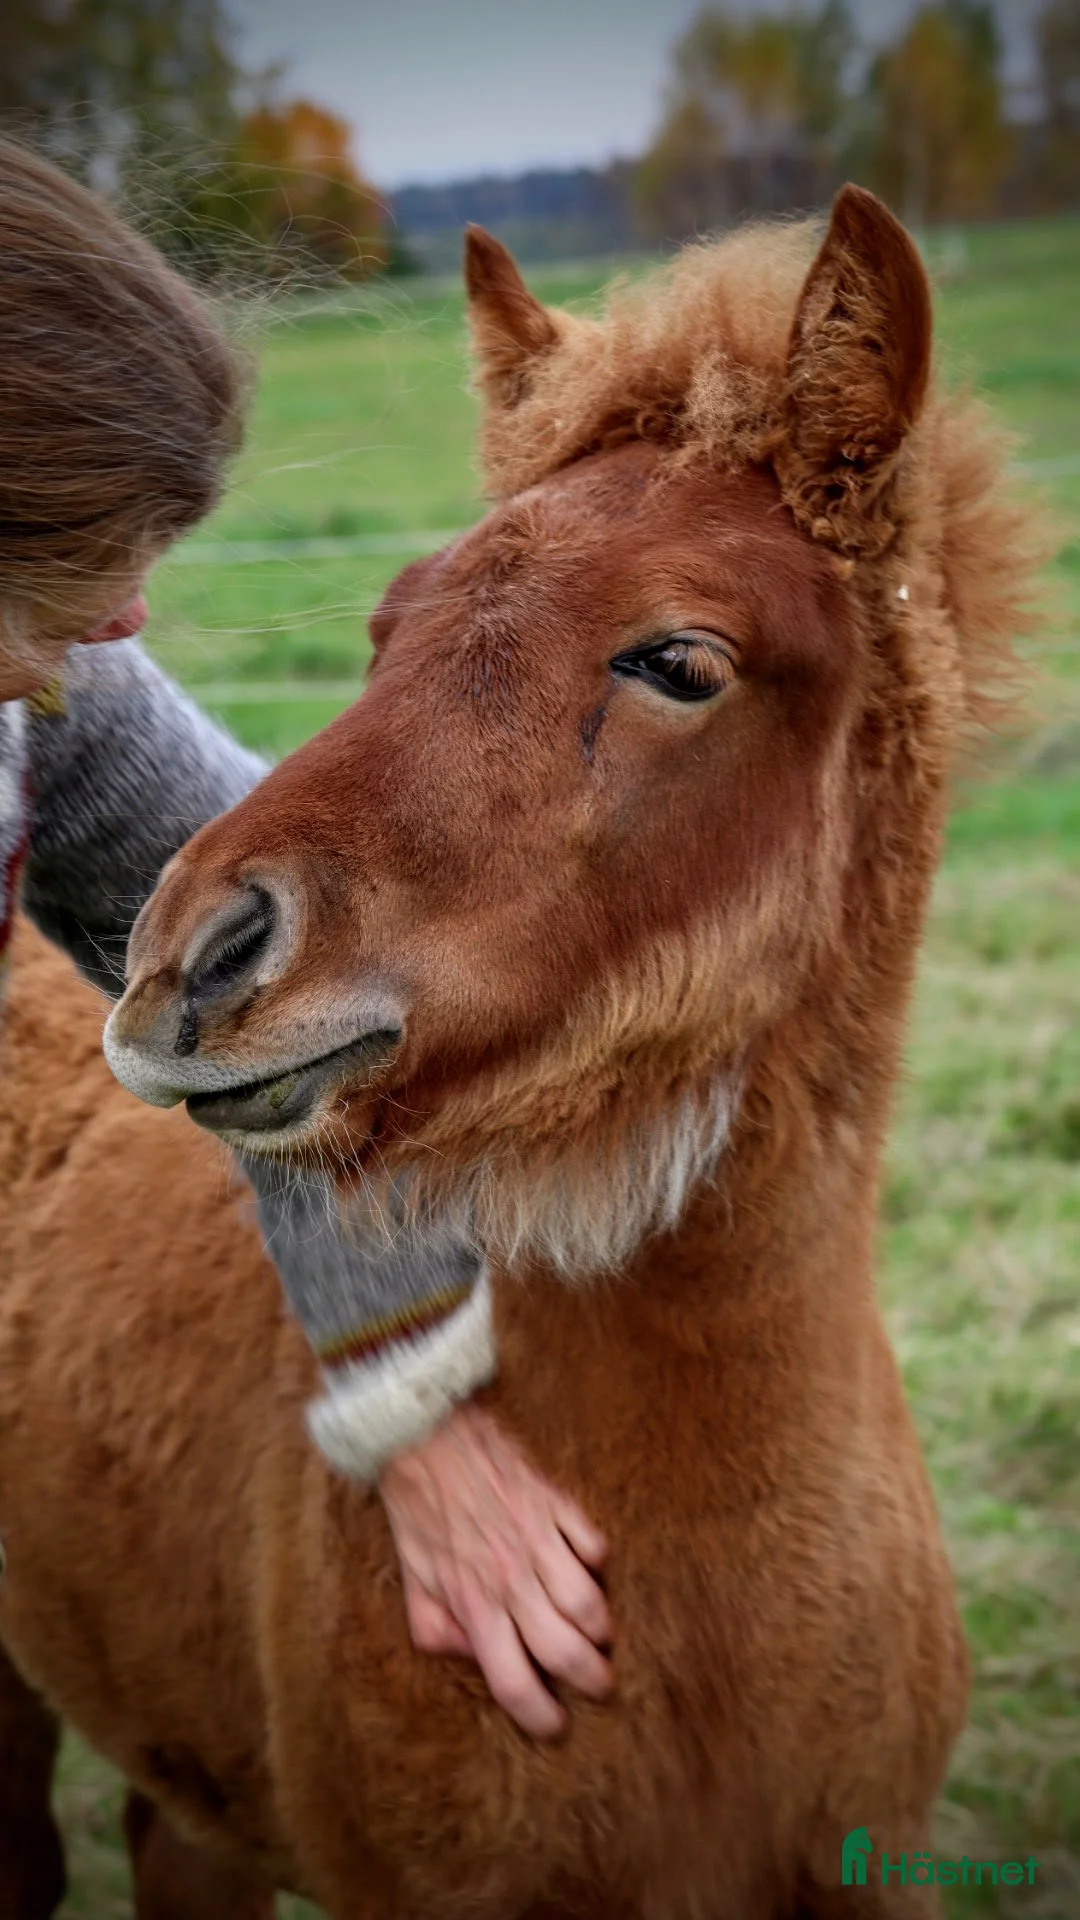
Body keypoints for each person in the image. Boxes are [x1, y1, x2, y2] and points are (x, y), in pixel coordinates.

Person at [0, 135, 611, 1740]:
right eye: (76, 548)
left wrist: (406, 1382)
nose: (130, 619)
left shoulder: (47, 686)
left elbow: (300, 986)